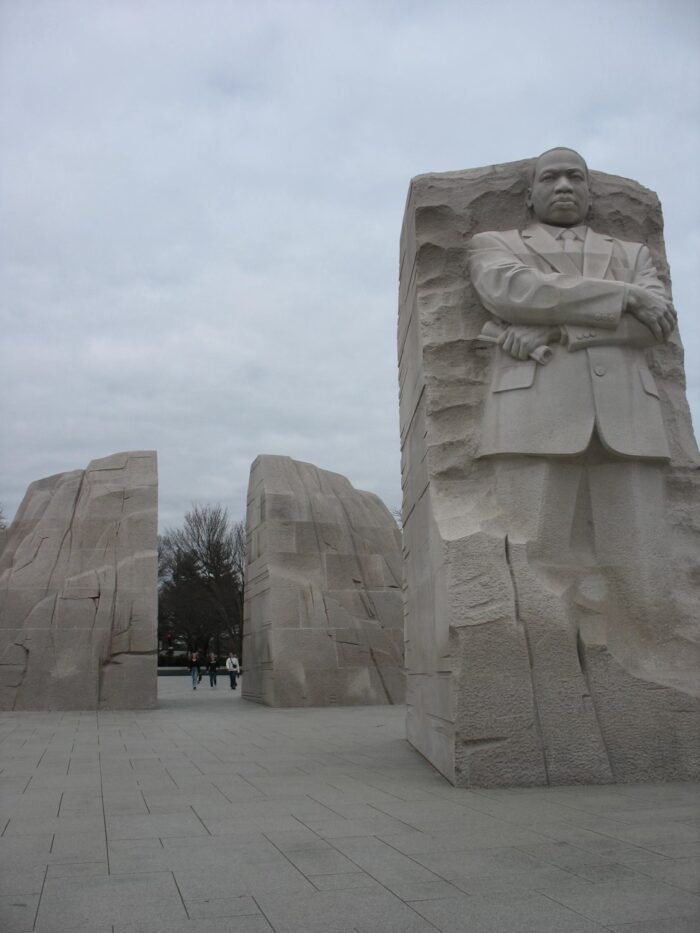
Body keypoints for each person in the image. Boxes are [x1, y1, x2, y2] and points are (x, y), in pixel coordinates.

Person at [466, 146, 689, 690]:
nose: (564, 185)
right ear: (530, 194)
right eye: (551, 177)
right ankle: (537, 689)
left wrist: (562, 331)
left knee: (644, 577)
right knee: (529, 565)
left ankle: (652, 679)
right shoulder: (494, 245)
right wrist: (625, 296)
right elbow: (512, 292)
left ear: (590, 192)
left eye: (576, 177)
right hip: (530, 417)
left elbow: (654, 328)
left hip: (630, 421)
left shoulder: (633, 252)